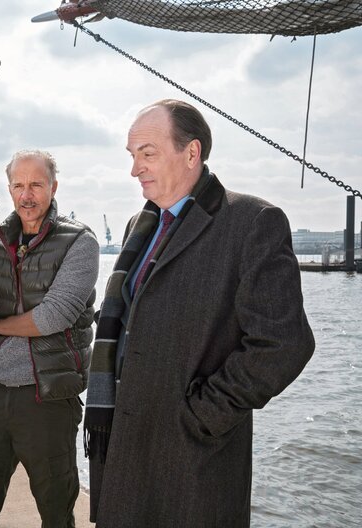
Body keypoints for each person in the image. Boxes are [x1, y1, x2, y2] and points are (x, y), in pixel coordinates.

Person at [84, 99, 315, 526]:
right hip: (125, 446)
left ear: (191, 153)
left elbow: (284, 344)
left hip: (192, 458)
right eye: (132, 156)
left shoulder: (252, 221)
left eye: (148, 154)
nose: (135, 169)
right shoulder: (141, 223)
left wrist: (201, 416)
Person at [0, 149, 99, 527]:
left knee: (56, 511)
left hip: (48, 396)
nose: (27, 194)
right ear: (9, 189)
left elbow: (54, 317)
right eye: (18, 185)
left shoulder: (80, 242)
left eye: (36, 184)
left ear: (53, 187)